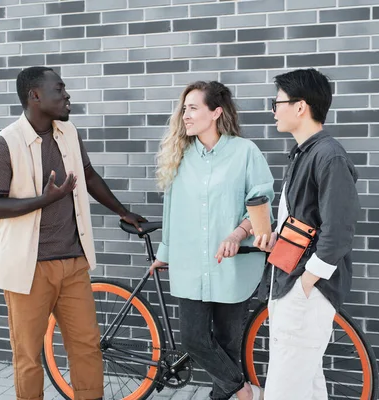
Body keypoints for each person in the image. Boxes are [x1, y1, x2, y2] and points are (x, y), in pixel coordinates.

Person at [0, 66, 146, 400]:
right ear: (35, 95)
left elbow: (88, 175)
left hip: (73, 263)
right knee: (28, 356)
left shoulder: (68, 133)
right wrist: (45, 199)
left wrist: (122, 211)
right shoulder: (3, 144)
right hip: (29, 270)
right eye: (60, 89)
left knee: (86, 346)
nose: (67, 95)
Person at [150, 81, 274, 400]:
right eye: (184, 108)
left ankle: (222, 395)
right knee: (193, 340)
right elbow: (171, 210)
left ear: (215, 112)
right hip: (190, 265)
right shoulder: (180, 156)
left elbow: (260, 204)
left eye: (193, 108)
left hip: (233, 267)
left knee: (228, 343)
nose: (185, 115)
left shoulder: (245, 153)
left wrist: (238, 232)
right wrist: (165, 252)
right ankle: (242, 390)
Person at [253, 68, 360, 399]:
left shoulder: (329, 156)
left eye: (277, 102)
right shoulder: (305, 153)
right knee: (308, 385)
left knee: (284, 390)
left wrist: (305, 284)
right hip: (291, 282)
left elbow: (338, 231)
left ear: (300, 107)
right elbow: (307, 223)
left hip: (306, 290)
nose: (273, 110)